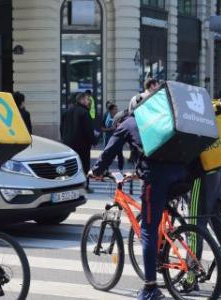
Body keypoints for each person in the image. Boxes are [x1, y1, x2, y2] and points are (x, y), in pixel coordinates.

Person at [89, 98, 196, 300]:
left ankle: (150, 288)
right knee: (158, 218)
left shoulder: (128, 123)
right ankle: (164, 249)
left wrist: (96, 172)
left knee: (147, 230)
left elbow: (109, 152)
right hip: (182, 174)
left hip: (157, 178)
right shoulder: (160, 120)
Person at [61, 93, 98, 190]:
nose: (89, 101)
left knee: (70, 165)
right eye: (87, 99)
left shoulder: (66, 111)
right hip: (82, 145)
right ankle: (84, 186)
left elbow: (61, 128)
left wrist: (64, 139)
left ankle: (70, 186)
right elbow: (88, 130)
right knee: (84, 166)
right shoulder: (85, 112)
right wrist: (94, 141)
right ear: (81, 100)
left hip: (68, 145)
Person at [101, 103, 124, 171]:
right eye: (115, 109)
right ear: (110, 110)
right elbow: (102, 128)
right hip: (109, 139)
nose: (117, 110)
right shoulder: (106, 116)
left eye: (117, 109)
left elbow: (124, 126)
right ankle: (105, 171)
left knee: (120, 155)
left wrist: (119, 126)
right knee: (107, 155)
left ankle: (121, 170)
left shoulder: (120, 116)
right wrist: (110, 129)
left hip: (118, 139)